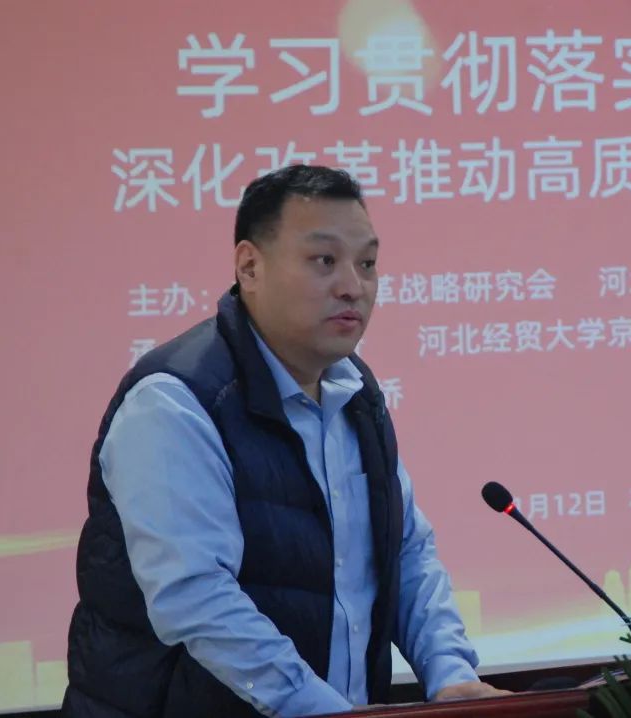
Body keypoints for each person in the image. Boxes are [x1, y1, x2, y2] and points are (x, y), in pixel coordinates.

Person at [63, 166, 506, 717]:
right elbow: (196, 597)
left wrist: (450, 673)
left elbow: (405, 550)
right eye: (324, 260)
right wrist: (321, 710)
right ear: (250, 266)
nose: (353, 285)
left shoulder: (355, 391)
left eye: (367, 263)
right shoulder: (175, 402)